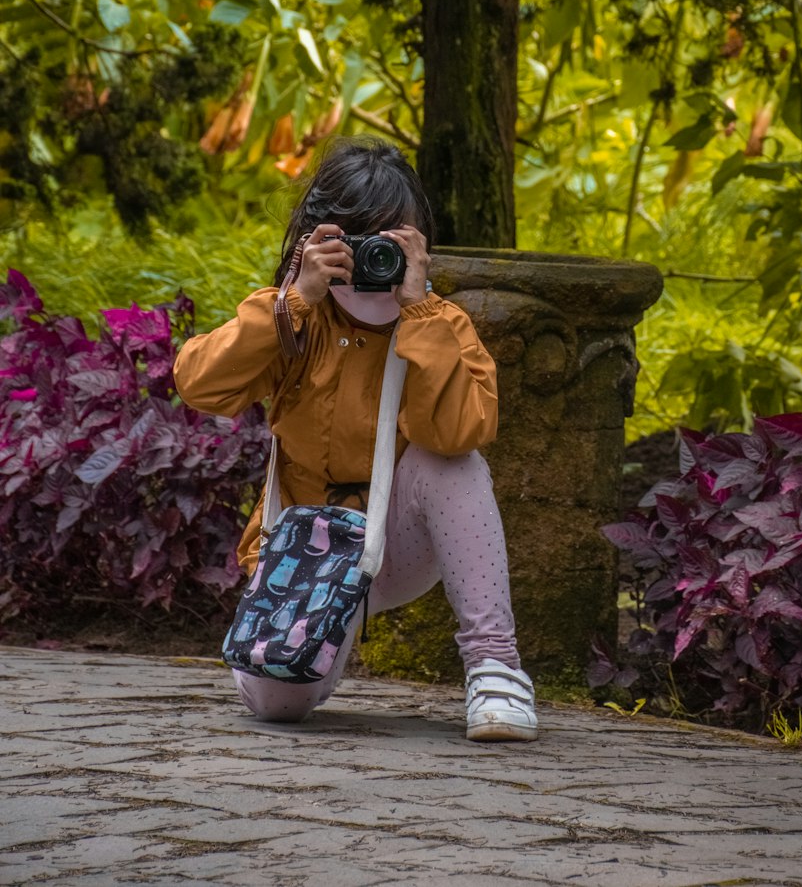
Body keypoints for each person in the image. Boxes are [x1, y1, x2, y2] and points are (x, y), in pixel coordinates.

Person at [174, 136, 537, 742]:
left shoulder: (439, 322)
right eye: (354, 241)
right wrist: (292, 302)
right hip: (307, 554)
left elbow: (459, 432)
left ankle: (496, 667)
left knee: (454, 463)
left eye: (386, 244)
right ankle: (282, 655)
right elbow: (199, 386)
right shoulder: (294, 317)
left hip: (394, 542)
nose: (369, 260)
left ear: (418, 241)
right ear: (317, 238)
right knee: (278, 705)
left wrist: (418, 312)